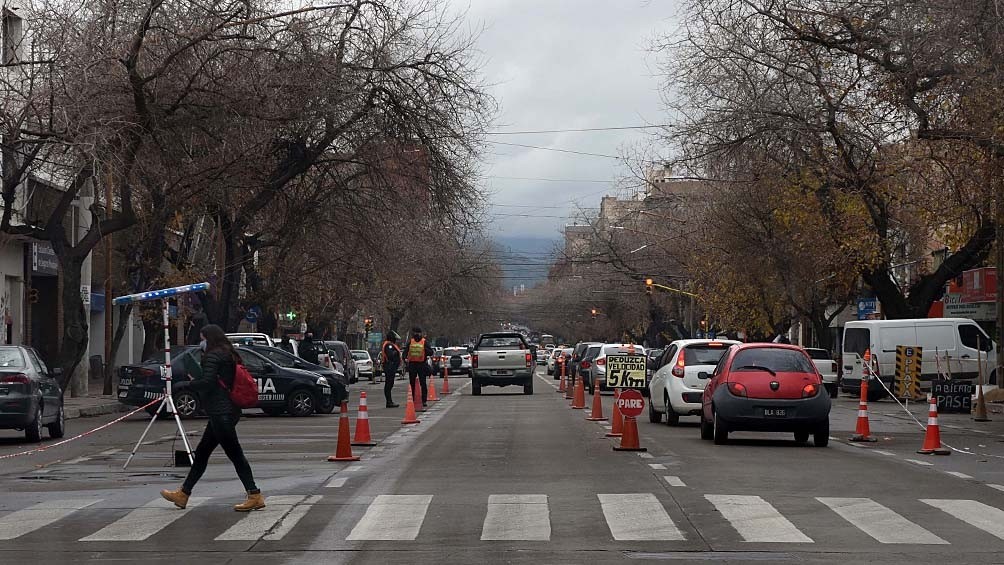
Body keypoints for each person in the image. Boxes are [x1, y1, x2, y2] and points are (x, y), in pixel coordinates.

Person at [160, 324, 264, 512]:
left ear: (209, 338)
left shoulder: (213, 355)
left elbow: (207, 382)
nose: (201, 343)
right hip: (226, 411)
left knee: (236, 455)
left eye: (202, 338)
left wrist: (188, 383)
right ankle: (183, 494)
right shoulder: (228, 353)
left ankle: (254, 494)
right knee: (202, 454)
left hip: (221, 412)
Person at [404, 327, 434, 409]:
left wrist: (425, 350)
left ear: (420, 333)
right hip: (412, 365)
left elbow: (431, 352)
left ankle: (423, 400)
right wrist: (405, 359)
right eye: (415, 333)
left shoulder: (424, 342)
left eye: (418, 333)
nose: (416, 334)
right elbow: (405, 352)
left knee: (423, 383)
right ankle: (412, 399)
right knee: (412, 383)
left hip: (421, 365)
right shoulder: (410, 341)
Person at [381, 331, 402, 408]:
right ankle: (389, 402)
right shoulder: (388, 345)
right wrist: (395, 353)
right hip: (389, 366)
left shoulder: (389, 344)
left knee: (390, 383)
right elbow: (390, 355)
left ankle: (389, 401)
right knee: (389, 384)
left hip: (391, 367)